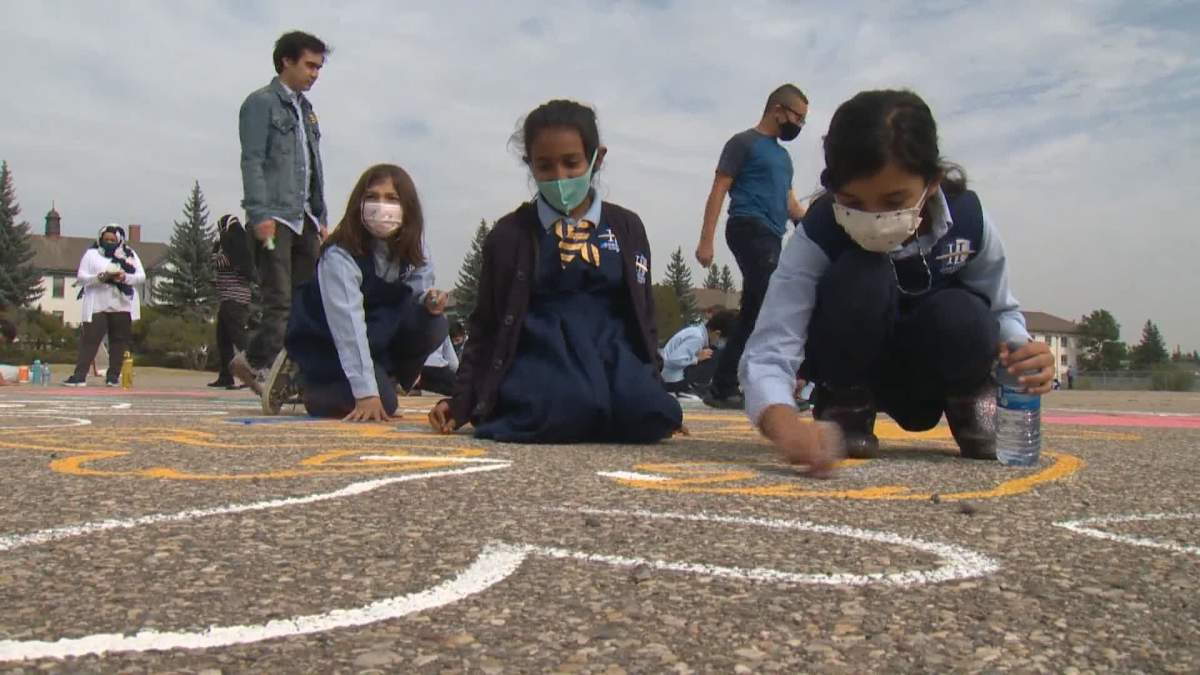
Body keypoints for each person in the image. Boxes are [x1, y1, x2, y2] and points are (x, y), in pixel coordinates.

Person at [741, 89, 1055, 475]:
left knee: (963, 311)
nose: (873, 218)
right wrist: (786, 426)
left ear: (933, 183)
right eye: (853, 203)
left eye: (893, 202)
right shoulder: (818, 233)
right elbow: (772, 344)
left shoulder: (970, 221)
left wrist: (1024, 353)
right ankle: (847, 406)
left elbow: (1001, 310)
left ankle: (970, 401)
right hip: (853, 366)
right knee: (862, 273)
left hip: (932, 372)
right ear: (831, 187)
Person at [429, 99, 683, 443]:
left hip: (612, 349)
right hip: (541, 351)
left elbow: (643, 314)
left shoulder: (627, 227)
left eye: (571, 163)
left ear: (598, 158)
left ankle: (622, 402)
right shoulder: (508, 235)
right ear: (529, 164)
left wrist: (653, 381)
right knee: (567, 407)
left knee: (650, 412)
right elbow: (486, 323)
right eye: (545, 166)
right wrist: (462, 402)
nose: (559, 177)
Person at [278, 164, 449, 420]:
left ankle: (385, 376)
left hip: (374, 335)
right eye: (372, 197)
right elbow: (348, 326)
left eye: (392, 198)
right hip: (328, 340)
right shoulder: (340, 255)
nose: (382, 207)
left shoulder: (413, 248)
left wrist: (430, 302)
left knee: (434, 323)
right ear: (358, 204)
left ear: (408, 207)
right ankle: (305, 385)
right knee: (381, 404)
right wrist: (366, 393)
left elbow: (415, 296)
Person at [695, 84, 811, 409]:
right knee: (775, 304)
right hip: (748, 226)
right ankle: (770, 390)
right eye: (797, 117)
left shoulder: (784, 158)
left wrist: (810, 224)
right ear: (777, 109)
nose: (799, 126)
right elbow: (719, 188)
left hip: (773, 234)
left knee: (753, 313)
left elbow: (789, 200)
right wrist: (706, 241)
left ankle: (723, 387)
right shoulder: (743, 143)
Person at [231, 30, 330, 395]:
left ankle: (293, 374)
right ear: (286, 61)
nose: (315, 74)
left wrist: (321, 218)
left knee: (310, 302)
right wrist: (259, 213)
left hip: (305, 217)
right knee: (281, 300)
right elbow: (253, 161)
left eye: (319, 67)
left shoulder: (307, 112)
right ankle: (256, 363)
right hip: (274, 215)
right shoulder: (260, 104)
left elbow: (314, 165)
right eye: (309, 65)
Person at [63, 225, 145, 387]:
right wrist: (99, 278)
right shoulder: (92, 254)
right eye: (106, 239)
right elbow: (81, 277)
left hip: (121, 304)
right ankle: (79, 375)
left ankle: (113, 376)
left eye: (112, 240)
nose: (109, 242)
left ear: (119, 240)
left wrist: (124, 278)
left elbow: (141, 277)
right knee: (90, 339)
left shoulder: (129, 255)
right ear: (100, 239)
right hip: (97, 304)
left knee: (118, 341)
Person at [209, 214, 255, 389]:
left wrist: (215, 249)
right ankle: (226, 376)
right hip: (230, 298)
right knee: (223, 339)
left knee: (239, 338)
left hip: (233, 300)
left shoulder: (234, 248)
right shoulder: (241, 247)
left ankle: (253, 372)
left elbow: (218, 262)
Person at [660, 309, 737, 400]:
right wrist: (696, 359)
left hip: (671, 377)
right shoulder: (697, 338)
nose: (722, 343)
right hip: (670, 380)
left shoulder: (696, 333)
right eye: (724, 340)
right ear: (717, 333)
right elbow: (674, 360)